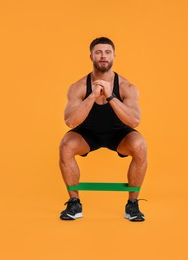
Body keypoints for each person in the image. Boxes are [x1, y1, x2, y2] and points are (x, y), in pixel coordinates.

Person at [59, 37, 148, 221]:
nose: (103, 56)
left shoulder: (126, 87)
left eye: (107, 52)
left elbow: (135, 121)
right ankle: (74, 204)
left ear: (114, 56)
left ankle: (132, 205)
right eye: (98, 52)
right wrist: (92, 96)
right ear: (91, 56)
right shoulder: (78, 87)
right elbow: (70, 121)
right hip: (87, 134)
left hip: (119, 134)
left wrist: (110, 96)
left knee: (140, 145)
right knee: (66, 146)